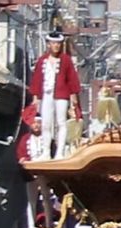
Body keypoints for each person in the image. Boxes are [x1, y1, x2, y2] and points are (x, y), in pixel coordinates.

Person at [29, 31, 84, 159]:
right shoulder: (42, 60)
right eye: (53, 43)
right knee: (46, 123)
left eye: (58, 43)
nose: (56, 46)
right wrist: (35, 97)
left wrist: (73, 95)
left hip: (62, 95)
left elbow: (71, 78)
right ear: (48, 44)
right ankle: (46, 151)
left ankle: (60, 152)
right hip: (46, 94)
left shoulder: (66, 60)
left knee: (61, 123)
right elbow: (37, 79)